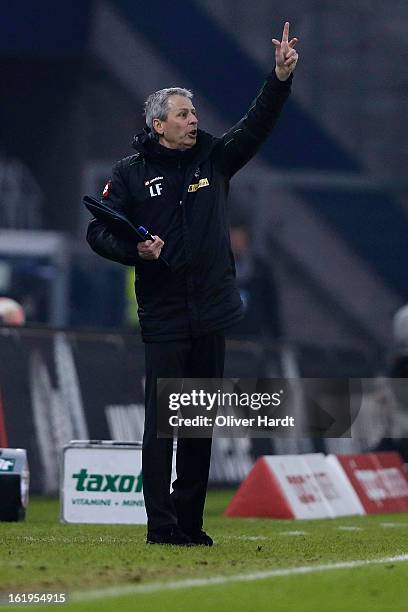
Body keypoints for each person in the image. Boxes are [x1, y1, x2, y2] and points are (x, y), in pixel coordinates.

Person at [86, 22, 299, 545]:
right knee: (162, 423)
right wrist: (135, 250)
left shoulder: (214, 158)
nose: (192, 120)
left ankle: (189, 523)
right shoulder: (130, 173)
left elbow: (254, 128)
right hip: (162, 314)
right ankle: (160, 525)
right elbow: (98, 230)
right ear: (159, 125)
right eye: (182, 114)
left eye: (193, 113)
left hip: (211, 311)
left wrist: (278, 80)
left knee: (199, 422)